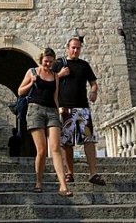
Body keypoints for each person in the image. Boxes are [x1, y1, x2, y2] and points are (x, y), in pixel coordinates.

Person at [18, 47, 72, 196]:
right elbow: (20, 91)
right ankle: (38, 182)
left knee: (55, 148)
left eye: (50, 62)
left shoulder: (55, 76)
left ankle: (63, 186)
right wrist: (31, 82)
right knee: (41, 150)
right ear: (41, 60)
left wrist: (58, 111)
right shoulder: (32, 72)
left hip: (52, 112)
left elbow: (55, 96)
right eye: (45, 62)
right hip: (35, 111)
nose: (47, 64)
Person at [53, 37, 106, 186]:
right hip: (65, 108)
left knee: (89, 140)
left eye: (78, 48)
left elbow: (93, 83)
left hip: (82, 108)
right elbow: (49, 81)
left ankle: (93, 173)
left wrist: (94, 92)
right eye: (73, 48)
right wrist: (60, 75)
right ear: (67, 48)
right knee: (67, 143)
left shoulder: (84, 65)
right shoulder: (58, 64)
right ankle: (70, 173)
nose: (75, 50)